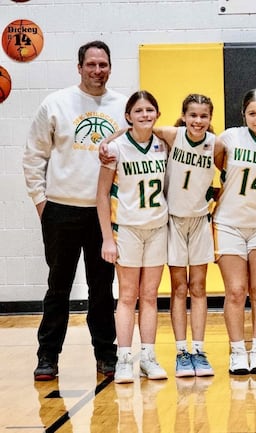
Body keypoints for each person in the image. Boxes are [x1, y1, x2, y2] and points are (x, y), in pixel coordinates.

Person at [23, 40, 125, 381]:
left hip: (103, 216)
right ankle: (47, 357)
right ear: (79, 67)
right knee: (58, 287)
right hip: (61, 211)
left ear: (111, 67)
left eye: (104, 64)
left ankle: (106, 356)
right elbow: (34, 156)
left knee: (101, 288)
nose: (98, 70)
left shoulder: (123, 106)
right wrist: (43, 204)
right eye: (92, 64)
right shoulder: (56, 103)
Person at [97, 90, 169, 383]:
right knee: (127, 296)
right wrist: (107, 238)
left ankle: (148, 357)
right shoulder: (115, 149)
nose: (144, 115)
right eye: (138, 111)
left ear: (157, 114)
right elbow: (101, 195)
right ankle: (124, 357)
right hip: (126, 229)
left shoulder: (164, 145)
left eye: (149, 110)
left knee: (150, 296)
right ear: (128, 116)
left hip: (156, 228)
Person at [214, 89, 256, 375]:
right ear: (244, 115)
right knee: (236, 291)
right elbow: (212, 160)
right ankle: (237, 351)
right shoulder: (230, 138)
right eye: (252, 113)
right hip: (228, 223)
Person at [158, 94, 217, 377]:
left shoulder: (215, 143)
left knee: (200, 287)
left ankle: (200, 350)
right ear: (183, 116)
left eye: (203, 116)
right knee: (179, 288)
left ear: (210, 118)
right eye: (193, 115)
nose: (198, 121)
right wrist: (110, 141)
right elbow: (136, 127)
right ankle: (182, 351)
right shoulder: (174, 134)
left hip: (200, 222)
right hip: (174, 222)